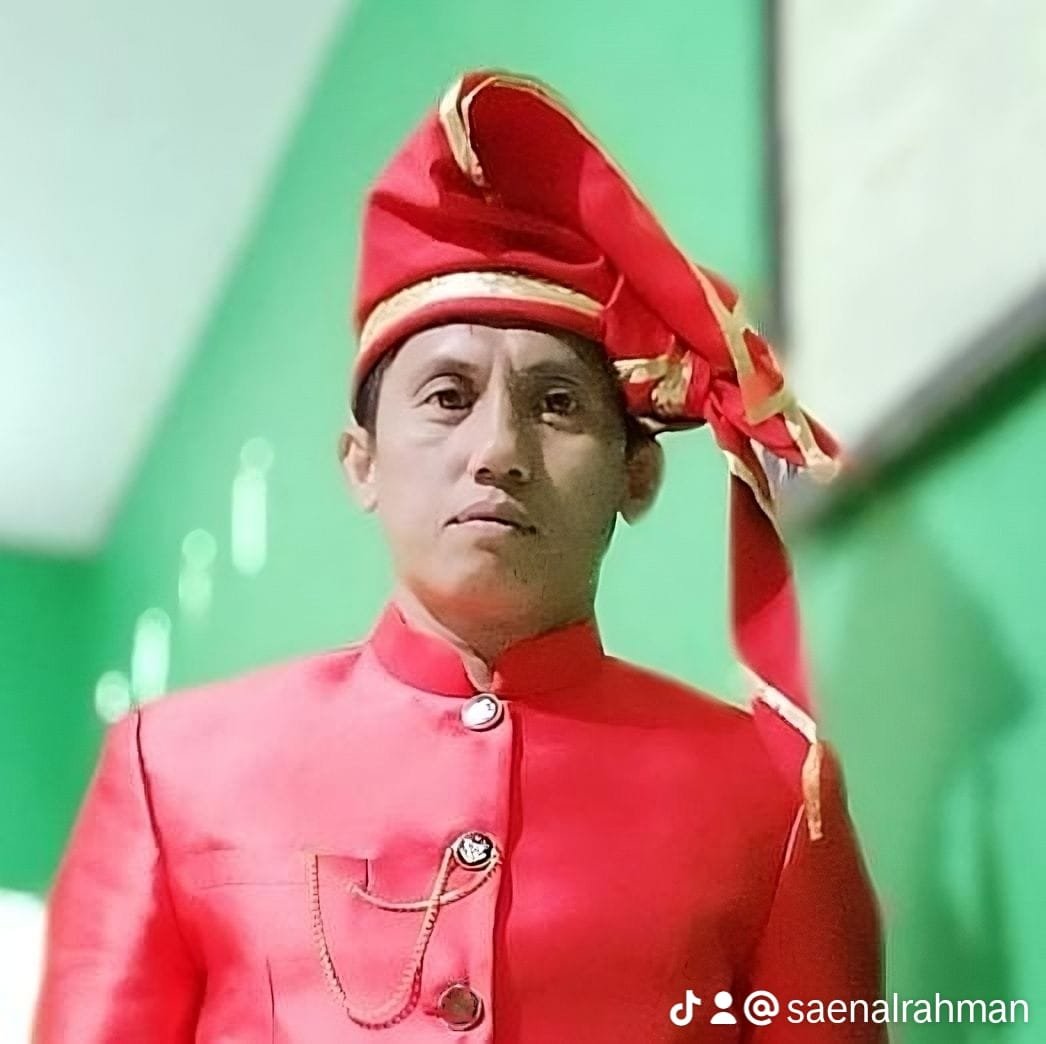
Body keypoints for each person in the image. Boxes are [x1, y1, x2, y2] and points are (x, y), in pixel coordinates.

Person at [32, 69, 884, 1042]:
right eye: (446, 397)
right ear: (362, 463)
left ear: (636, 474)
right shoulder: (171, 769)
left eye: (556, 404)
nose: (497, 451)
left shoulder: (773, 801)